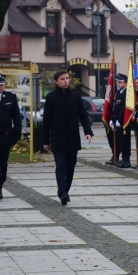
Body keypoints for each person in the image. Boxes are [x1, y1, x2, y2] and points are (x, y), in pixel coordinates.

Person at [42, 70, 93, 206]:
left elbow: (83, 115)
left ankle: (66, 190)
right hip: (58, 138)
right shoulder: (51, 97)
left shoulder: (75, 96)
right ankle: (62, 193)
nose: (66, 81)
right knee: (61, 165)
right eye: (62, 79)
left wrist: (88, 131)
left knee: (71, 166)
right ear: (56, 82)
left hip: (73, 139)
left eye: (67, 78)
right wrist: (45, 140)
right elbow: (46, 120)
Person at [110, 73, 131, 168]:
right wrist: (112, 119)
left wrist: (119, 120)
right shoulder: (119, 92)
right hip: (117, 120)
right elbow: (115, 107)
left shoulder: (126, 93)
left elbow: (123, 108)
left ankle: (126, 159)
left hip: (123, 121)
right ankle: (121, 157)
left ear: (125, 83)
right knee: (119, 140)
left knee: (125, 141)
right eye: (117, 82)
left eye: (120, 82)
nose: (118, 84)